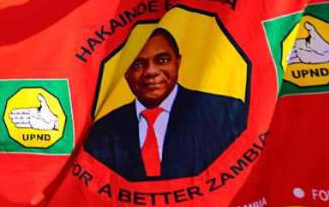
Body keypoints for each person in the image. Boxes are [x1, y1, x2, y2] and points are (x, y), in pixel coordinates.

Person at [82, 28, 247, 181]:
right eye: (138, 64)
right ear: (125, 73)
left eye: (162, 60)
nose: (151, 71)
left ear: (178, 62)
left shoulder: (224, 113)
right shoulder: (103, 131)